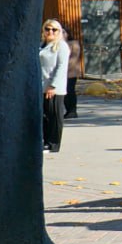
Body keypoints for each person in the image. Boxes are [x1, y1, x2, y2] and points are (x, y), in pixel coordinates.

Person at [40, 19, 69, 153]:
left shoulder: (61, 46)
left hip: (54, 88)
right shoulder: (42, 45)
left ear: (59, 31)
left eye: (54, 29)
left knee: (54, 116)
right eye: (47, 29)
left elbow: (61, 67)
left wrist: (53, 85)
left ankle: (54, 144)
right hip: (40, 86)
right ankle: (45, 141)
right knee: (44, 116)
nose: (50, 32)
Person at [62, 24, 81, 119]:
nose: (62, 34)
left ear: (68, 33)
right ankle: (68, 110)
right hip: (62, 73)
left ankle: (72, 110)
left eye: (64, 32)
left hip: (71, 72)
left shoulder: (73, 43)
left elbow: (74, 58)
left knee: (70, 91)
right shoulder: (58, 44)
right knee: (64, 92)